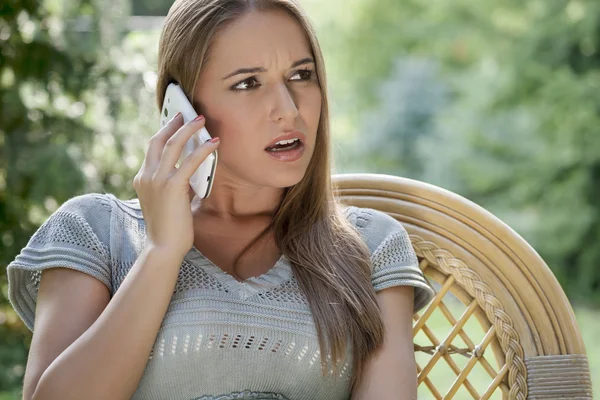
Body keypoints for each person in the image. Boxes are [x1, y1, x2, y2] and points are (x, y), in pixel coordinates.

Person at [6, 0, 435, 399]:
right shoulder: (95, 231)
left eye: (301, 75)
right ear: (183, 108)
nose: (288, 109)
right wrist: (161, 251)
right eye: (248, 83)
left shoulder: (371, 246)